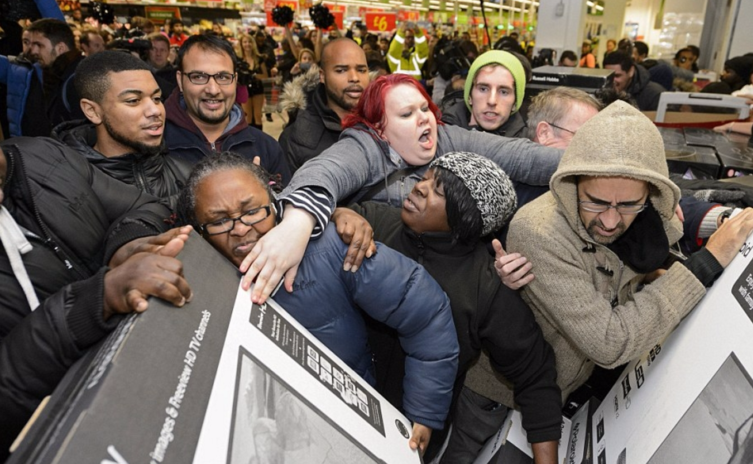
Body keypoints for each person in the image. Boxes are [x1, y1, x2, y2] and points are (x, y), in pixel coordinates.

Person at [177, 152, 459, 455]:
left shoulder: (334, 250)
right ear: (198, 230)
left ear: (274, 202)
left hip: (352, 429)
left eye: (252, 211)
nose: (241, 228)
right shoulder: (189, 279)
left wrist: (423, 414)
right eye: (219, 220)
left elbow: (426, 314)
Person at [506, 100, 753, 399]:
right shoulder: (538, 232)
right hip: (507, 402)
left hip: (571, 387)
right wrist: (706, 263)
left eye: (629, 205)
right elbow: (610, 343)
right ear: (574, 182)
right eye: (595, 201)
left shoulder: (647, 216)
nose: (609, 220)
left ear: (650, 193)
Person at [237, 73, 562, 304]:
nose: (424, 119)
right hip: (382, 294)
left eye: (425, 109)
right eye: (407, 114)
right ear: (380, 127)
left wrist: (588, 163)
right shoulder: (365, 145)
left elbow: (521, 157)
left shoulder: (447, 137)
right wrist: (297, 224)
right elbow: (323, 172)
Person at [333, 153, 561, 463]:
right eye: (425, 179)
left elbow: (535, 375)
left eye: (439, 191)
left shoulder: (485, 286)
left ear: (464, 219)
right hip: (334, 403)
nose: (419, 189)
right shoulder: (373, 223)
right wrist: (338, 214)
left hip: (409, 440)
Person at [0, 137, 192, 459]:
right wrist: (95, 300)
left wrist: (126, 245)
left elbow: (145, 206)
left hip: (139, 374)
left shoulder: (45, 156)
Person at [53, 51, 191, 207]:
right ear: (92, 111)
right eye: (133, 100)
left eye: (157, 98)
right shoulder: (65, 188)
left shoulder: (187, 175)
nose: (155, 110)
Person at [163, 34, 292, 185]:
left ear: (235, 81)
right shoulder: (157, 146)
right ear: (180, 80)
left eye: (223, 77)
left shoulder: (266, 148)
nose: (213, 89)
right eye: (198, 77)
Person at [278, 38, 369, 172]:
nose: (354, 78)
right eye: (341, 70)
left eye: (361, 70)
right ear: (322, 76)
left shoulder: (386, 124)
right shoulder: (296, 138)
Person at [441, 50, 528, 137]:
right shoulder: (442, 134)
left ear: (515, 103)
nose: (492, 101)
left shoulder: (527, 145)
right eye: (483, 89)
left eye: (503, 92)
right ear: (469, 96)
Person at [234, 33, 269, 131]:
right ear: (241, 44)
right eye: (245, 42)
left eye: (249, 42)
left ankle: (259, 138)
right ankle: (248, 138)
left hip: (258, 88)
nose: (247, 44)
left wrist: (253, 75)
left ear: (253, 44)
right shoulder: (239, 60)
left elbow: (265, 76)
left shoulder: (259, 58)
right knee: (247, 116)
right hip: (244, 89)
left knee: (258, 115)